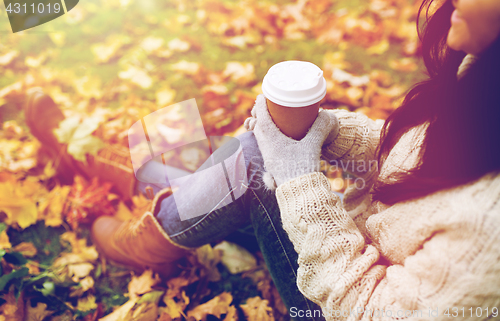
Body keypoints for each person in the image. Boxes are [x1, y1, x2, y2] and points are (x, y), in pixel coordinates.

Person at [24, 0, 500, 320]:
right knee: (226, 164)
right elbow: (419, 161)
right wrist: (324, 132)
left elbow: (369, 310)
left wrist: (296, 174)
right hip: (350, 246)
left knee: (250, 164)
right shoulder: (482, 80)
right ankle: (86, 157)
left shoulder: (490, 233)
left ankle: (138, 239)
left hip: (326, 305)